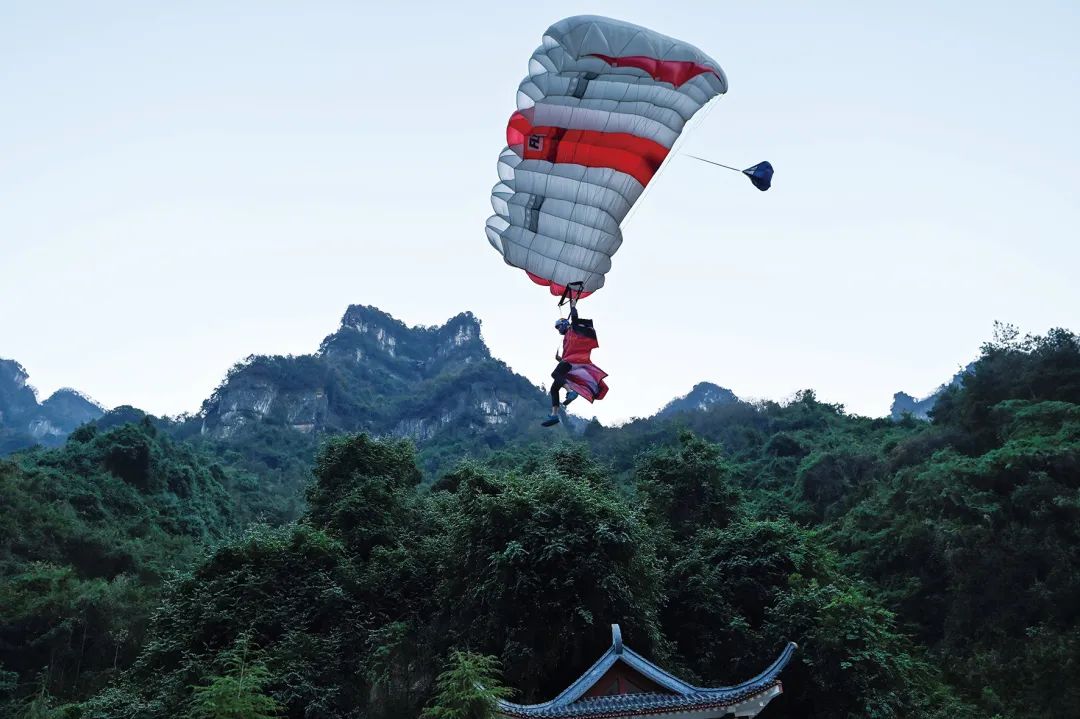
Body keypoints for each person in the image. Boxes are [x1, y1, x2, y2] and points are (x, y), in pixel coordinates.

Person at [542, 304, 609, 427]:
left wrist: (573, 306)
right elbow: (569, 353)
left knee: (555, 374)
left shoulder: (573, 330)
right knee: (554, 388)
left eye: (558, 327)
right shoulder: (566, 338)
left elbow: (575, 319)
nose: (558, 330)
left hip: (573, 360)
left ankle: (570, 391)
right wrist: (559, 359)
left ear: (564, 325)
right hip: (569, 361)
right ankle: (554, 415)